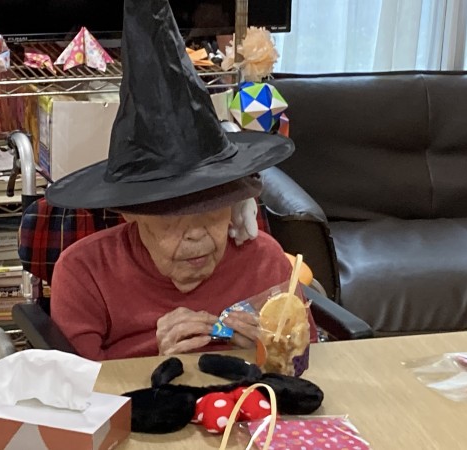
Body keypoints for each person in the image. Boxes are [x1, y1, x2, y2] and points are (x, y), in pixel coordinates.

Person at [45, 0, 317, 361]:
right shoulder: (84, 272)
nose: (196, 235)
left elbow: (308, 361)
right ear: (131, 212)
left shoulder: (265, 261)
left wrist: (266, 355)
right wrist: (156, 366)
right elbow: (74, 387)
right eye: (173, 218)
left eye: (213, 211)